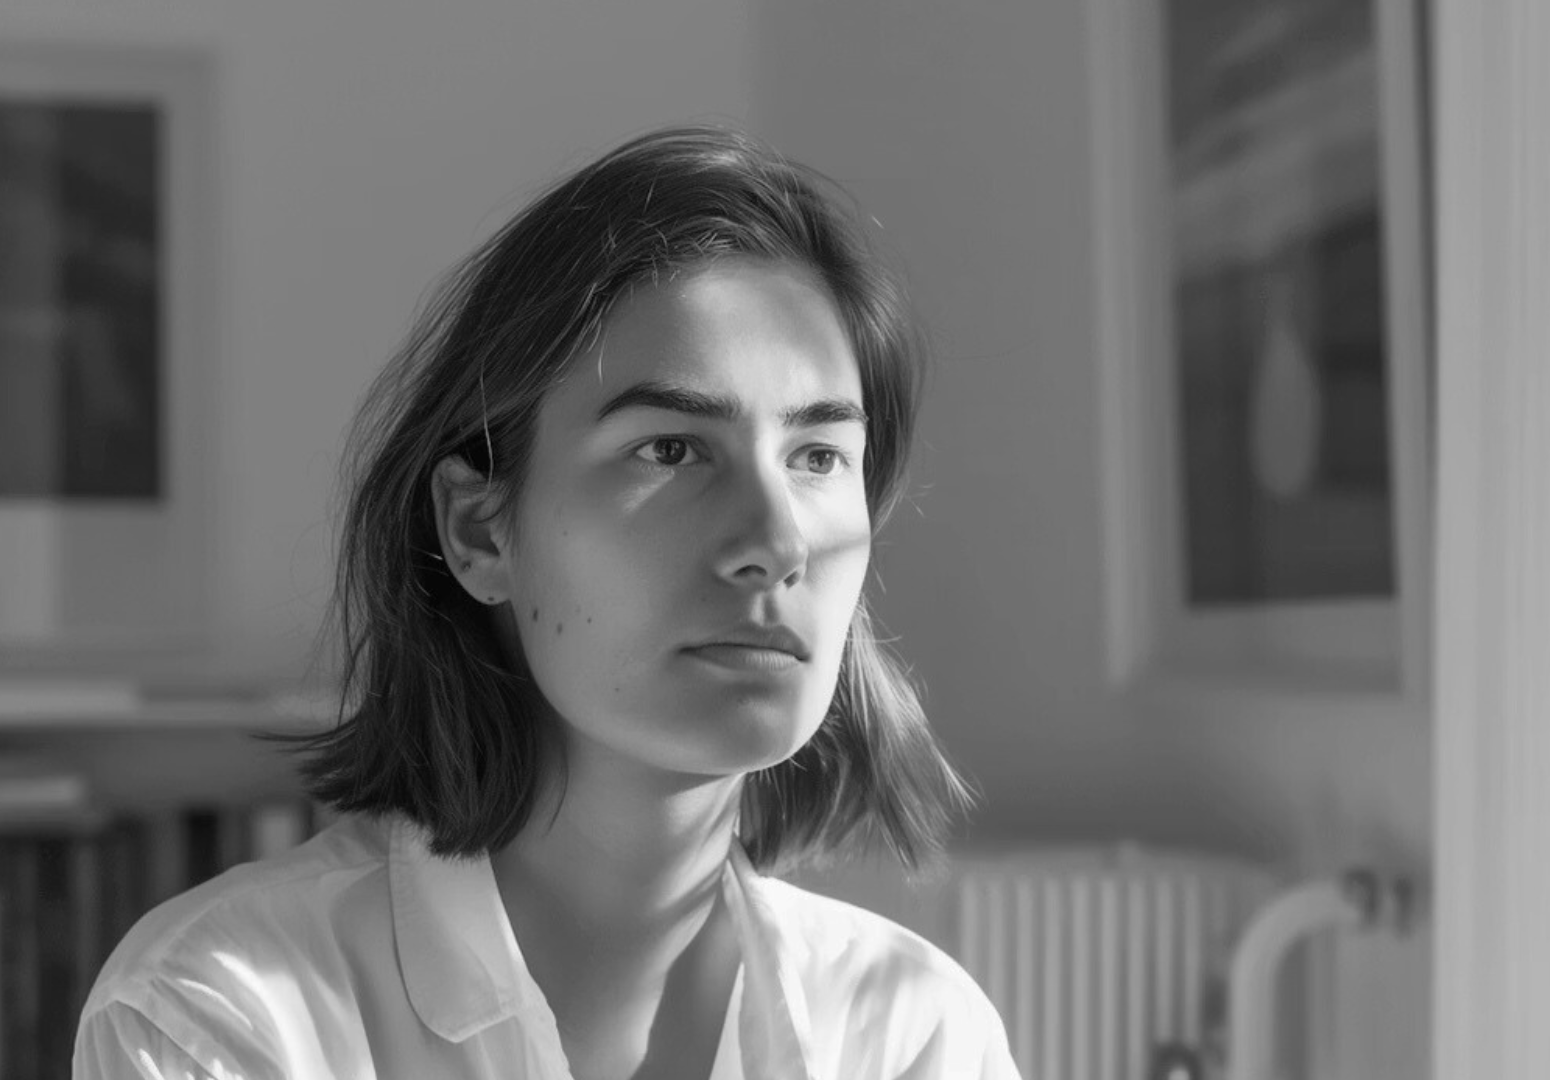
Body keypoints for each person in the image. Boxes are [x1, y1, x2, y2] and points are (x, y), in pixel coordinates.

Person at [74, 124, 1019, 1080]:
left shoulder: (916, 1034)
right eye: (671, 449)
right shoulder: (216, 1011)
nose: (778, 545)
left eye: (818, 457)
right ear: (481, 531)